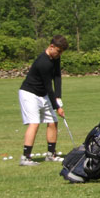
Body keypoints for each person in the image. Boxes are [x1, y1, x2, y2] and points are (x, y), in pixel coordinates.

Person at [18, 35, 69, 166]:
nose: (59, 54)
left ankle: (50, 155)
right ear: (51, 46)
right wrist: (57, 107)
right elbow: (48, 85)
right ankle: (25, 157)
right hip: (29, 93)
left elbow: (57, 77)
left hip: (43, 94)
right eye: (58, 51)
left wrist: (59, 97)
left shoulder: (55, 57)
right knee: (34, 123)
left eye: (61, 52)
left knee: (53, 122)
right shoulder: (43, 62)